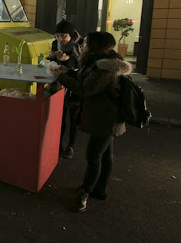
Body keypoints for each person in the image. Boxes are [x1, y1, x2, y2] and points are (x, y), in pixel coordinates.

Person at [52, 31, 132, 213]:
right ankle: (100, 189)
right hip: (105, 116)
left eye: (87, 42)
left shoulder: (106, 68)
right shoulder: (96, 62)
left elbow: (85, 89)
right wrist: (67, 71)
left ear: (95, 46)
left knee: (93, 156)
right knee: (105, 155)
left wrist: (60, 76)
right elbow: (84, 76)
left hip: (107, 118)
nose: (83, 45)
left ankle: (85, 193)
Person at [48, 19, 83, 159]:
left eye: (63, 35)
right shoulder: (55, 44)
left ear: (71, 34)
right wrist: (52, 57)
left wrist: (68, 58)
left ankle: (70, 146)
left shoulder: (80, 45)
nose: (60, 39)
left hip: (74, 85)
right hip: (59, 84)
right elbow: (53, 62)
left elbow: (82, 66)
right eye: (57, 35)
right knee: (60, 118)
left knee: (74, 119)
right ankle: (59, 146)